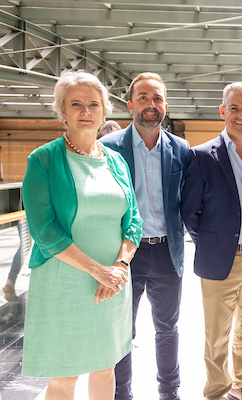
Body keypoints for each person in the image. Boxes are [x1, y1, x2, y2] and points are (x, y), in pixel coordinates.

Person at [21, 70, 142, 400]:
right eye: (76, 104)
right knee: (66, 373)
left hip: (113, 282)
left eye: (93, 104)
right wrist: (97, 271)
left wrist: (119, 267)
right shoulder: (43, 160)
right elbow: (45, 231)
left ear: (104, 111)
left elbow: (133, 220)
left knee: (105, 367)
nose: (86, 111)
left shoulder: (116, 162)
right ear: (62, 110)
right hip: (64, 282)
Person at [181, 82, 242, 400]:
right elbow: (190, 211)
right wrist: (214, 242)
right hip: (219, 258)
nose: (240, 115)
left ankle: (241, 383)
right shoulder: (201, 156)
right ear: (223, 111)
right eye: (234, 108)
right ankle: (216, 391)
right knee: (217, 331)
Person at [101, 72, 189, 400]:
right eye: (143, 98)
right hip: (125, 254)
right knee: (122, 331)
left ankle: (170, 392)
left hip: (167, 253)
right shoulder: (108, 148)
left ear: (165, 105)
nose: (151, 105)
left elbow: (191, 201)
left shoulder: (181, 149)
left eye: (157, 99)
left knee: (168, 329)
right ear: (130, 105)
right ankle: (121, 394)